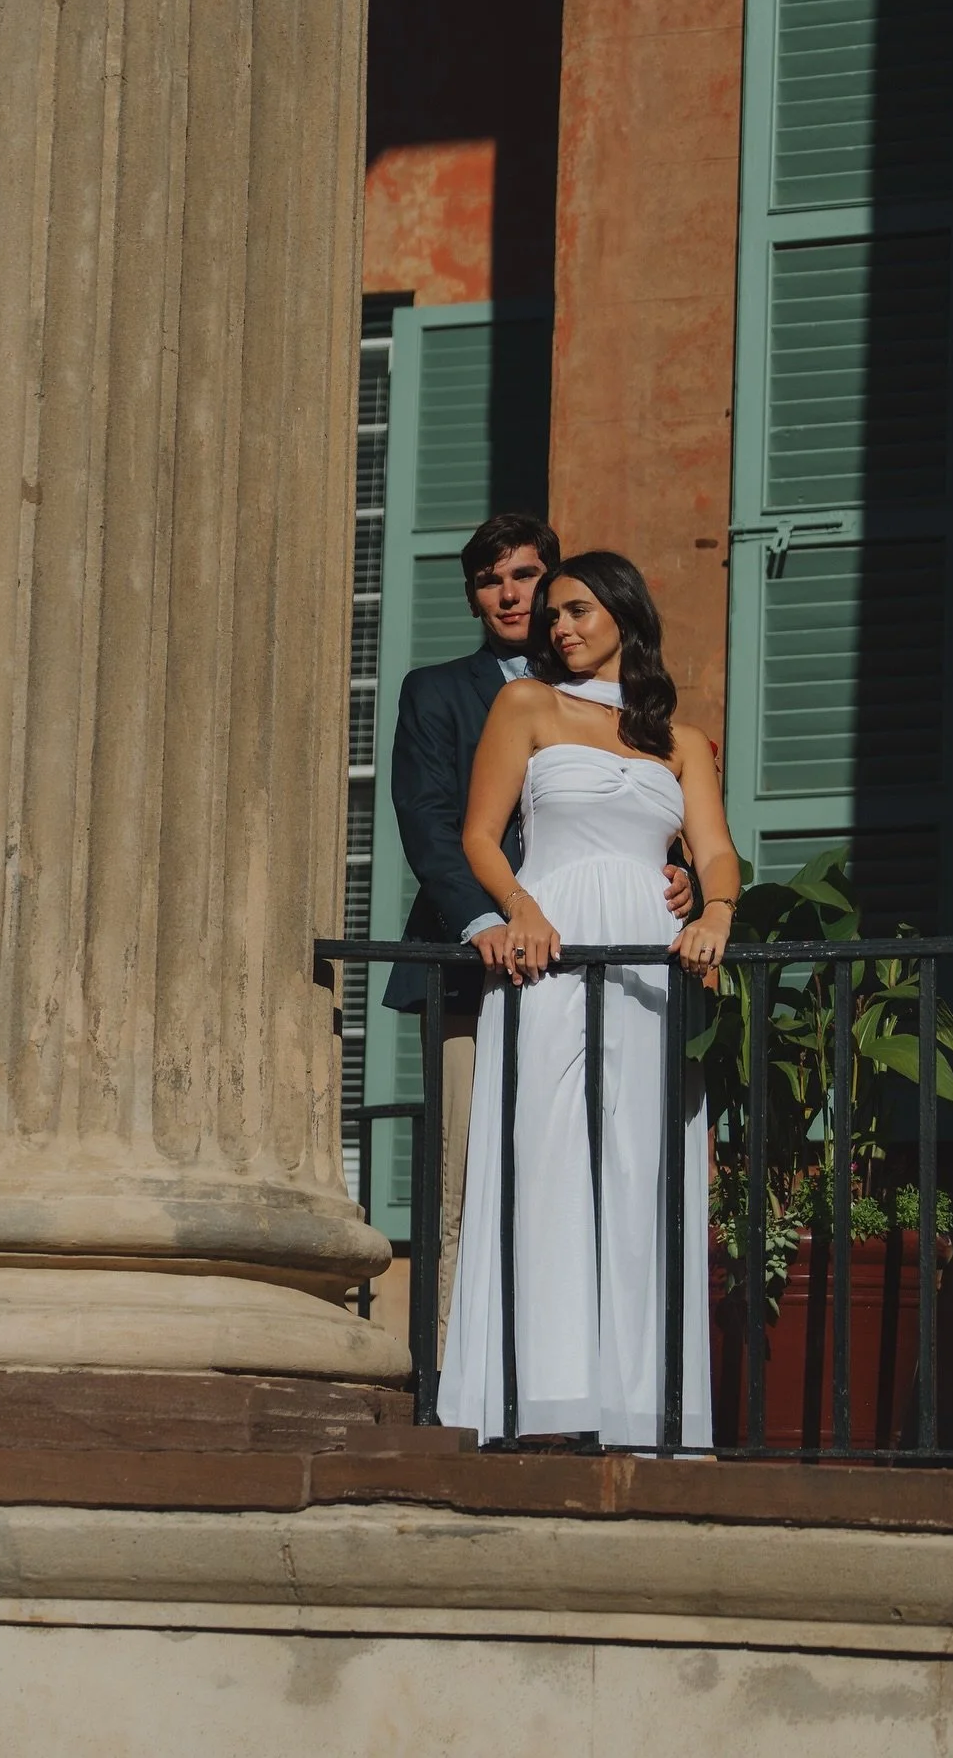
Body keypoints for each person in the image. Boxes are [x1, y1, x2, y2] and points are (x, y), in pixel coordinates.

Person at [437, 551, 742, 1447]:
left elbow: (715, 848)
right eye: (552, 616)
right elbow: (478, 835)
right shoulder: (525, 705)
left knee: (644, 1164)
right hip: (551, 951)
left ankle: (642, 1406)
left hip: (651, 962)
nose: (559, 626)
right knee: (545, 1152)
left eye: (576, 610)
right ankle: (541, 1398)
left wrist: (715, 909)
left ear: (623, 613)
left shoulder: (677, 739)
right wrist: (520, 907)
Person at [381, 515, 692, 1359]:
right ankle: (454, 1378)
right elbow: (430, 824)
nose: (513, 595)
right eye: (492, 580)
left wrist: (683, 875)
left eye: (527, 576)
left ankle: (574, 1372)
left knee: (596, 1168)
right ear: (475, 597)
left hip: (599, 964)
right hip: (472, 961)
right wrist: (489, 918)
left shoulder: (627, 705)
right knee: (470, 1175)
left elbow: (657, 814)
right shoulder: (439, 690)